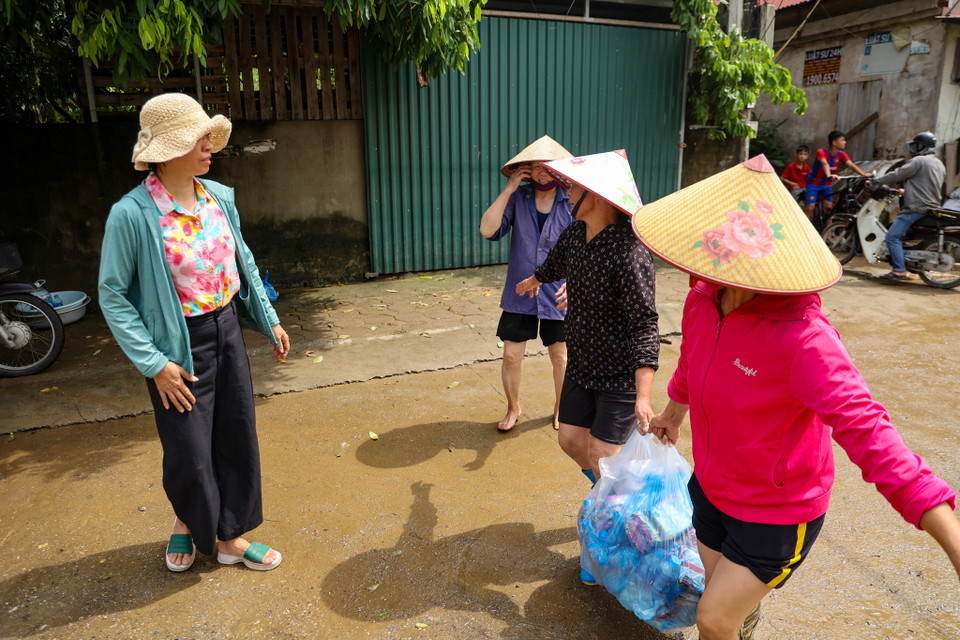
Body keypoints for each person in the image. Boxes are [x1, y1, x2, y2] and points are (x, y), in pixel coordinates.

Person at [631, 154, 960, 640]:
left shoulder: (806, 340)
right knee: (718, 594)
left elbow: (871, 433)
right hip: (712, 487)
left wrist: (951, 541)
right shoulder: (705, 297)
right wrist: (671, 414)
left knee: (713, 618)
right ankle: (742, 613)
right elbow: (692, 363)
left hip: (778, 513)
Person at [99, 93, 289, 573]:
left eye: (208, 137)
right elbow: (113, 295)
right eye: (199, 138)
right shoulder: (132, 214)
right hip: (175, 345)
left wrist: (269, 319)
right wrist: (154, 363)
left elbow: (243, 263)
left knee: (236, 434)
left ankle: (231, 537)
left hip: (227, 330)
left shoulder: (219, 198)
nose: (210, 146)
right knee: (188, 446)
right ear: (168, 149)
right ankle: (187, 519)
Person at [515, 150, 660, 585]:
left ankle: (617, 541)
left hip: (617, 375)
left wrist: (644, 394)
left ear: (596, 196)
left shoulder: (630, 253)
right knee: (570, 439)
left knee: (602, 455)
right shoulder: (575, 233)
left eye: (575, 187)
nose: (568, 190)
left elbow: (644, 325)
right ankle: (615, 496)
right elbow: (556, 264)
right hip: (582, 364)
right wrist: (538, 280)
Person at [479, 136, 575, 432]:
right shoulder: (518, 198)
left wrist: (574, 282)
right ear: (525, 171)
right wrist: (508, 189)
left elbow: (586, 244)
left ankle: (561, 406)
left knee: (560, 357)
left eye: (547, 166)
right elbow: (487, 229)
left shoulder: (572, 199)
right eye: (533, 166)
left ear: (558, 170)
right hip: (521, 290)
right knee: (511, 355)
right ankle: (513, 407)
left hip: (557, 291)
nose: (541, 172)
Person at [873, 131, 947, 280]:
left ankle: (899, 270)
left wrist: (877, 181)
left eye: (916, 145)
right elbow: (925, 184)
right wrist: (905, 191)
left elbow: (898, 174)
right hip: (931, 207)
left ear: (923, 147)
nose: (914, 149)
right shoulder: (939, 163)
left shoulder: (919, 161)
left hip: (916, 207)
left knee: (892, 237)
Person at [804, 130, 871, 221]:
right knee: (810, 207)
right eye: (842, 140)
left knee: (829, 210)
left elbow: (851, 165)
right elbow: (825, 164)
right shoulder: (822, 152)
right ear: (834, 142)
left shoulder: (841, 154)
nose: (845, 142)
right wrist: (829, 175)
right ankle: (806, 228)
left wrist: (863, 174)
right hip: (814, 184)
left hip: (826, 185)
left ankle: (829, 233)